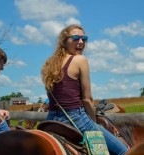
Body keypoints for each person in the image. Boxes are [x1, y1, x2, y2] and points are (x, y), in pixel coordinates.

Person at [41, 24, 128, 155]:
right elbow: (87, 99)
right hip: (76, 118)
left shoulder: (49, 63)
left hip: (51, 119)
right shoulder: (80, 60)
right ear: (64, 42)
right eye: (75, 38)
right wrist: (94, 123)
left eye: (84, 39)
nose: (81, 42)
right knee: (124, 151)